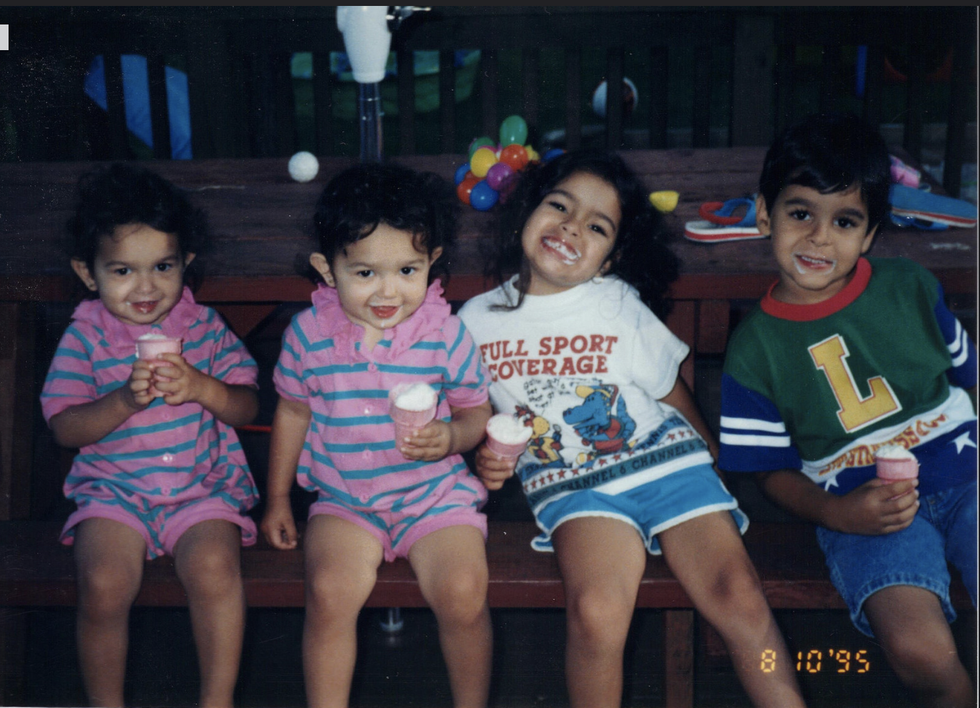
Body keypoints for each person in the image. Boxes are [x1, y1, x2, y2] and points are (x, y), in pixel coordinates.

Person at [458, 150, 806, 708]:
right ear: (527, 210)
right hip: (575, 486)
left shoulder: (617, 303)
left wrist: (711, 454)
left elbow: (670, 390)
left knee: (739, 596)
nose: (572, 227)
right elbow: (472, 415)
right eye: (559, 206)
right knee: (596, 611)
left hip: (669, 465)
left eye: (597, 226)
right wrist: (485, 455)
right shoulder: (474, 322)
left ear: (610, 258)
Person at [718, 112, 977, 708]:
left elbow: (971, 374)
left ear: (870, 234)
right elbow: (767, 472)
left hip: (969, 478)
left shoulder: (912, 286)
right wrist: (837, 513)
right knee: (922, 653)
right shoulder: (753, 350)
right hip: (864, 509)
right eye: (800, 213)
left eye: (845, 220)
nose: (819, 237)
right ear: (764, 214)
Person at [260, 162, 493, 708]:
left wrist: (452, 437)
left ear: (431, 262)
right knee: (328, 593)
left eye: (407, 270)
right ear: (327, 269)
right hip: (345, 501)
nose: (389, 291)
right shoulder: (307, 336)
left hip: (434, 498)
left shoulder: (447, 334)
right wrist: (277, 498)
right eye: (365, 272)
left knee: (463, 592)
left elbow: (476, 411)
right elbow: (292, 412)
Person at [40, 163, 261, 708]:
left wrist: (204, 388)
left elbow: (248, 406)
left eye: (163, 266)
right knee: (104, 582)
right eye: (122, 271)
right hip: (114, 494)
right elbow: (64, 426)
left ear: (186, 262)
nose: (145, 287)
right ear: (88, 273)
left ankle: (217, 700)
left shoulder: (204, 328)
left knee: (215, 570)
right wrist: (123, 400)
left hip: (202, 490)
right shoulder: (85, 338)